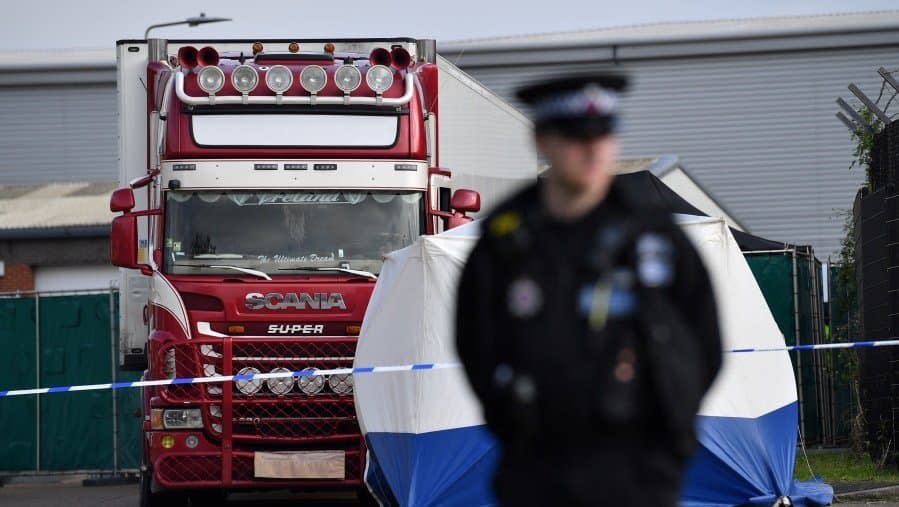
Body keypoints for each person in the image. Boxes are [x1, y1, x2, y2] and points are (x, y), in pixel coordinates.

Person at [454, 74, 723, 506]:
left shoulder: (654, 234)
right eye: (576, 136)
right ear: (542, 140)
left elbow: (705, 341)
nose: (593, 148)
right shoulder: (506, 240)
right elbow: (476, 346)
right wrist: (514, 424)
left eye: (604, 134)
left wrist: (668, 435)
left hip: (639, 469)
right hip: (538, 468)